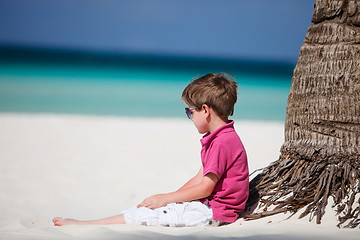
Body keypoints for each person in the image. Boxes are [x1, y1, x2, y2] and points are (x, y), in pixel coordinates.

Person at [53, 73, 249, 227]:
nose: (189, 116)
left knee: (145, 216)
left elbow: (206, 187)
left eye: (190, 111)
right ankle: (92, 222)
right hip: (211, 208)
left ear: (205, 110)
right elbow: (200, 178)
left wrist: (167, 198)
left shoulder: (223, 142)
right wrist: (169, 199)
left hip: (214, 213)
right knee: (153, 209)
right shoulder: (221, 138)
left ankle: (85, 225)